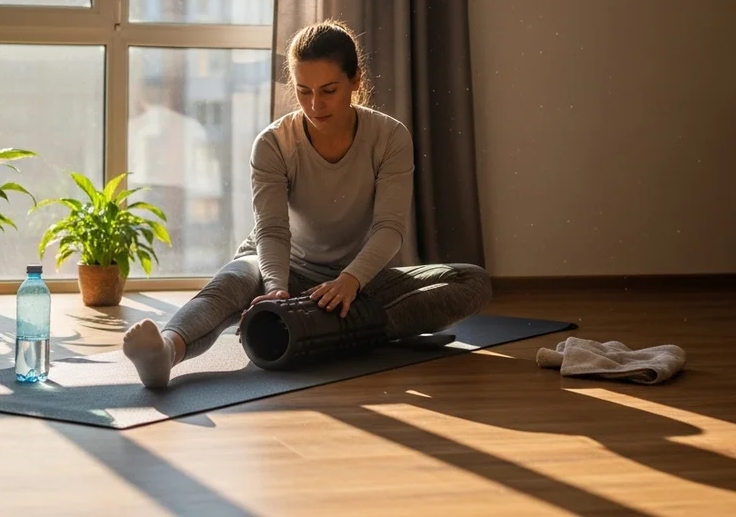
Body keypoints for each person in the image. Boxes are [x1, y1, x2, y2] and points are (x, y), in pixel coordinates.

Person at [122, 20, 492, 388]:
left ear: (356, 81)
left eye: (329, 90)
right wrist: (276, 290)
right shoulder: (272, 144)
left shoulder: (390, 137)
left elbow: (389, 229)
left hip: (356, 280)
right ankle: (166, 353)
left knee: (472, 281)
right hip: (283, 267)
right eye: (303, 91)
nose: (315, 105)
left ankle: (332, 326)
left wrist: (351, 281)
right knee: (233, 279)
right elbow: (271, 229)